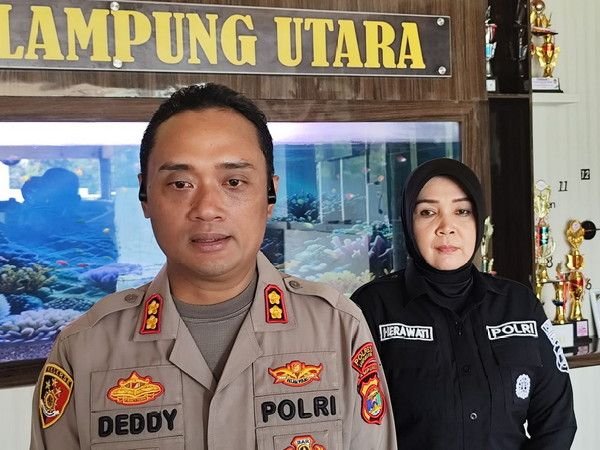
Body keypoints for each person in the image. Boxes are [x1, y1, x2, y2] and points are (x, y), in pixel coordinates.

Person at [30, 83, 397, 450]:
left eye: (234, 182)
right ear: (145, 196)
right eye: (180, 183)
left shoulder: (338, 329)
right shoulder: (83, 349)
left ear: (270, 194)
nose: (206, 209)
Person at [351, 158, 576, 449]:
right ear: (408, 222)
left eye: (462, 211)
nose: (447, 227)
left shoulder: (519, 305)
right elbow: (353, 426)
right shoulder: (372, 307)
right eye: (428, 212)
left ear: (478, 220)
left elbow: (556, 422)